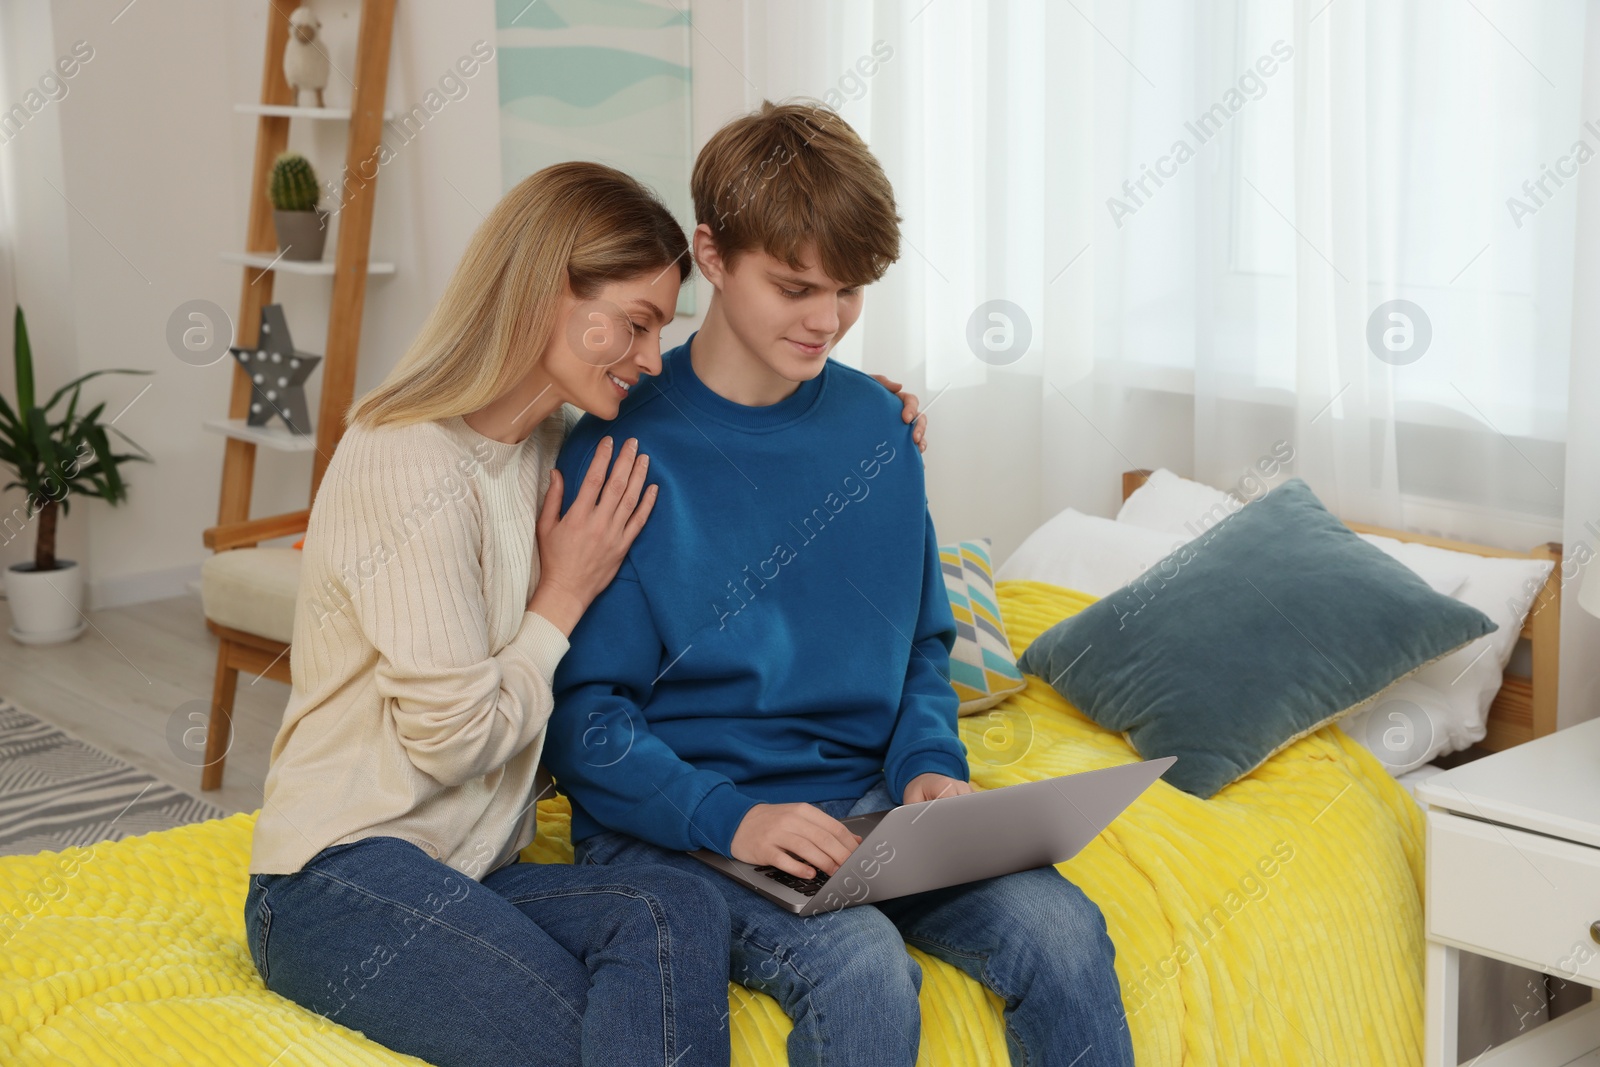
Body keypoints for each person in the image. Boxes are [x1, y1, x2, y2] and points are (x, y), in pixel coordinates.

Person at [241, 159, 928, 1067]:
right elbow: (450, 739)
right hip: (337, 878)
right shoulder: (403, 461)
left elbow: (712, 436)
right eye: (637, 326)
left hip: (477, 872)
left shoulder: (548, 448)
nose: (650, 358)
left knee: (669, 907)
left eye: (661, 329)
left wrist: (855, 406)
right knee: (608, 1040)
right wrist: (560, 595)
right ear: (540, 297)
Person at [543, 103, 1137, 1067]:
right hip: (682, 826)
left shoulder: (879, 430)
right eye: (796, 287)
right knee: (860, 966)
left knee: (1067, 936)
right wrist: (734, 816)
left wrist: (931, 769)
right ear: (714, 255)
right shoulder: (620, 443)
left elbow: (919, 649)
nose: (827, 320)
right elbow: (582, 720)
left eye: (851, 291)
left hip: (868, 813)